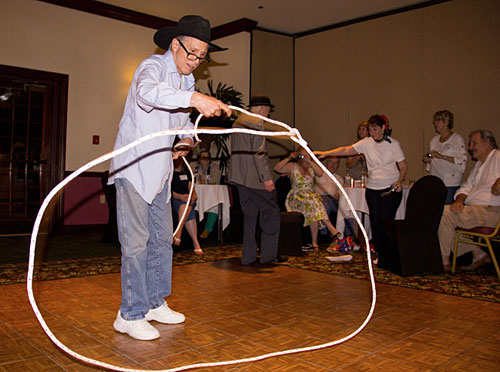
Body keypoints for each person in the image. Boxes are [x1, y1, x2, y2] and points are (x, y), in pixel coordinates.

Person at [107, 15, 231, 341]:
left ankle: (153, 303)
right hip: (133, 168)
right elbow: (148, 94)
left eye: (201, 57)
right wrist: (194, 99)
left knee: (162, 240)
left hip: (160, 169)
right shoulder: (152, 67)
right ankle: (129, 314)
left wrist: (187, 141)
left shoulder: (186, 81)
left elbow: (181, 126)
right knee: (135, 245)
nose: (195, 62)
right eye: (191, 53)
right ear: (174, 45)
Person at [315, 114, 407, 258]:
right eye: (370, 129)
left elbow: (403, 166)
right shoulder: (366, 143)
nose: (372, 132)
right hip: (372, 188)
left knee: (386, 221)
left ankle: (388, 252)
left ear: (383, 128)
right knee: (375, 221)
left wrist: (399, 181)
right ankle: (377, 251)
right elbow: (346, 150)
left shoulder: (393, 144)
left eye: (375, 129)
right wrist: (326, 153)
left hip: (390, 188)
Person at [227, 95, 281, 265]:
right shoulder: (256, 122)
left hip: (239, 177)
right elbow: (258, 153)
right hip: (254, 178)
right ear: (261, 108)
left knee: (250, 217)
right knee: (271, 213)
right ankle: (268, 256)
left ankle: (248, 256)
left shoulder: (239, 121)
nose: (268, 113)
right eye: (267, 110)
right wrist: (267, 179)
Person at [438, 129, 500, 271]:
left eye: (474, 143)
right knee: (445, 219)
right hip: (476, 211)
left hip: (492, 211)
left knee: (445, 214)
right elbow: (465, 188)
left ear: (487, 142)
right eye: (470, 144)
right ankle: (478, 254)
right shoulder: (479, 165)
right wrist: (459, 200)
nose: (470, 148)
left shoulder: (497, 156)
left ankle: (443, 262)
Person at [274, 148, 341, 249]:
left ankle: (314, 242)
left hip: (310, 197)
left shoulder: (312, 166)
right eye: (302, 155)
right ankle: (330, 227)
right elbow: (277, 168)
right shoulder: (293, 166)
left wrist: (310, 160)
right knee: (313, 203)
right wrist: (289, 158)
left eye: (306, 155)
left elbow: (320, 173)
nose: (304, 157)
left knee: (313, 206)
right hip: (296, 197)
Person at [423, 110, 467, 204]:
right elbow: (430, 161)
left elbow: (461, 160)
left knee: (447, 212)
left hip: (449, 183)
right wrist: (428, 159)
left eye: (438, 120)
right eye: (434, 120)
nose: (435, 123)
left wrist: (441, 156)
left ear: (446, 122)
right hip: (435, 181)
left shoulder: (456, 139)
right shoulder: (434, 140)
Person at [171, 158, 203, 255]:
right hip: (176, 199)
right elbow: (168, 192)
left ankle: (178, 232)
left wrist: (193, 196)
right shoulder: (170, 173)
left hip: (188, 200)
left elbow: (191, 188)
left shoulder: (187, 173)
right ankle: (196, 243)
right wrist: (181, 196)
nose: (180, 162)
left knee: (186, 205)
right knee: (188, 210)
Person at [193, 150, 221, 238]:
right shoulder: (194, 167)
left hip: (210, 195)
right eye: (203, 156)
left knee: (215, 205)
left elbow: (215, 180)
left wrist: (201, 179)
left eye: (207, 156)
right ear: (199, 159)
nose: (205, 159)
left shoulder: (215, 167)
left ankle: (208, 229)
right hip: (197, 195)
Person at [315, 156, 343, 234]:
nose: (332, 165)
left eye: (335, 163)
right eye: (330, 162)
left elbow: (341, 192)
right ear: (327, 162)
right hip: (321, 198)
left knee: (346, 208)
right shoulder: (319, 174)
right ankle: (323, 234)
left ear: (338, 165)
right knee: (326, 204)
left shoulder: (339, 178)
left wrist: (339, 195)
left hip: (335, 201)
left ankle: (348, 235)